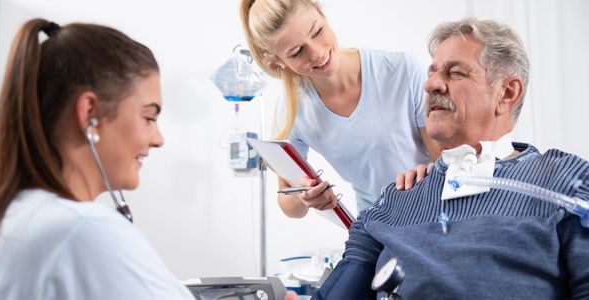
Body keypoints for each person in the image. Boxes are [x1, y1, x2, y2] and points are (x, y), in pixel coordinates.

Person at [312, 17, 589, 299]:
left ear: (507, 93)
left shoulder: (567, 183)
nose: (432, 85)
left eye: (455, 73)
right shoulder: (396, 199)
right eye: (432, 72)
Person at [0, 18, 197, 299]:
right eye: (148, 117)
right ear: (89, 113)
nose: (158, 139)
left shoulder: (11, 218)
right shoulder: (82, 229)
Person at [239, 0, 440, 217]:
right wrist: (302, 196)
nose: (316, 53)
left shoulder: (401, 71)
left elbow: (445, 164)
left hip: (432, 212)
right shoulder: (293, 111)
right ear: (276, 61)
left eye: (317, 32)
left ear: (321, 11)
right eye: (297, 52)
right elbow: (288, 203)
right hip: (376, 227)